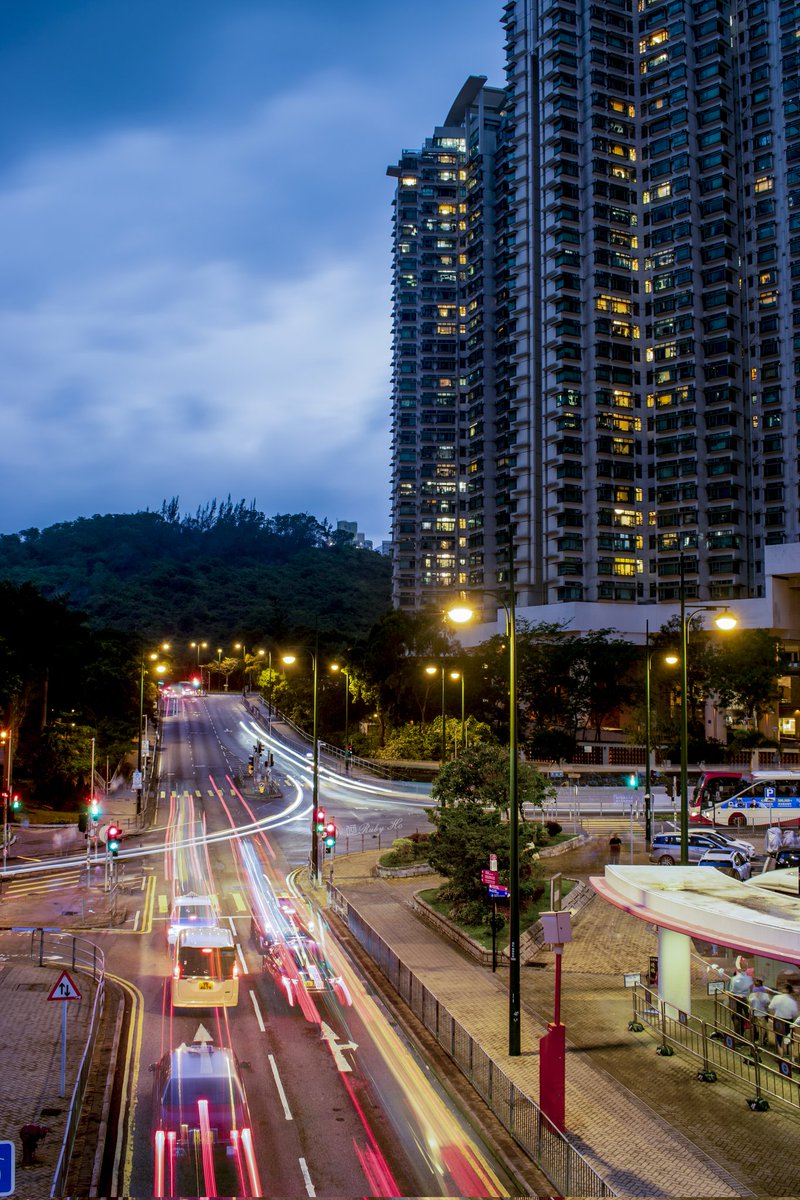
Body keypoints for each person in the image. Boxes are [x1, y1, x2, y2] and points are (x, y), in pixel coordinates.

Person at [767, 983, 799, 1053]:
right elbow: (795, 1013)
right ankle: (789, 1055)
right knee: (789, 1038)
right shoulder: (792, 1001)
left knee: (779, 1038)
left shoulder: (777, 998)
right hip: (789, 1020)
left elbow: (770, 1007)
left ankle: (780, 1055)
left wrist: (772, 1015)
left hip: (778, 1019)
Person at [727, 967, 754, 1036]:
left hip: (743, 1000)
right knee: (737, 1017)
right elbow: (728, 991)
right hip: (736, 1001)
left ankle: (742, 1032)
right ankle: (739, 1033)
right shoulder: (732, 981)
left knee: (745, 1016)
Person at [748, 979, 770, 1044]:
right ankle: (763, 1040)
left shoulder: (752, 995)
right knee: (762, 1029)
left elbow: (750, 1004)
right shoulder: (765, 995)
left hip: (755, 1013)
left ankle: (760, 1041)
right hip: (762, 1014)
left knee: (758, 1028)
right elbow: (768, 1003)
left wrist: (749, 1012)